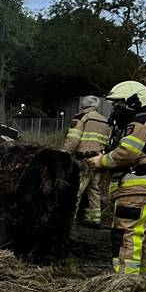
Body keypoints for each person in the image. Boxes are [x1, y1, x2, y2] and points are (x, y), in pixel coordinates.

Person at [88, 81, 146, 278]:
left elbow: (127, 153)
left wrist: (101, 161)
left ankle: (125, 284)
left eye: (118, 104)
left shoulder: (138, 123)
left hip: (137, 189)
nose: (115, 109)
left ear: (133, 102)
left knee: (126, 236)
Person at [64, 95, 110, 226]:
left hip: (83, 160)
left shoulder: (81, 118)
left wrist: (63, 153)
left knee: (77, 189)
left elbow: (73, 139)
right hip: (98, 160)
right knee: (94, 189)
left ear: (83, 106)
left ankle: (70, 220)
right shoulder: (104, 120)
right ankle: (94, 219)